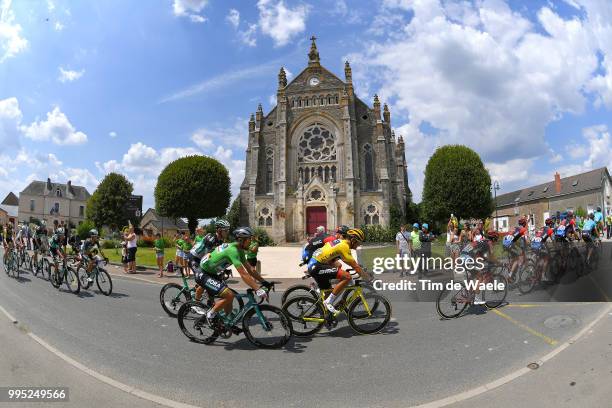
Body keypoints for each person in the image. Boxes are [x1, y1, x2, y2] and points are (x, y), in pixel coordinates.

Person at [194, 227, 270, 323]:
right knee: (229, 295)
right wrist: (258, 289)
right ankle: (209, 315)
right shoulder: (233, 250)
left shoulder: (240, 250)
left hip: (212, 272)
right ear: (241, 240)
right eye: (249, 239)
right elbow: (243, 274)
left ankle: (227, 320)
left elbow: (250, 269)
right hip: (203, 273)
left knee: (228, 296)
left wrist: (264, 282)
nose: (251, 242)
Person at [308, 228, 370, 315]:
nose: (358, 246)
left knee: (328, 292)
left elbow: (345, 261)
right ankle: (328, 302)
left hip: (315, 264)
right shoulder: (344, 247)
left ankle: (326, 316)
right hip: (317, 266)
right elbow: (355, 266)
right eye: (358, 243)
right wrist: (368, 278)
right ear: (353, 240)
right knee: (347, 276)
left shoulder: (340, 242)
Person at [191, 219, 231, 301]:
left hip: (203, 260)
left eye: (228, 230)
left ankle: (210, 302)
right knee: (204, 281)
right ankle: (195, 303)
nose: (227, 232)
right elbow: (207, 258)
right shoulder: (211, 239)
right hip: (195, 259)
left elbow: (217, 257)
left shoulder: (221, 240)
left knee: (210, 280)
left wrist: (223, 269)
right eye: (225, 230)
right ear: (219, 230)